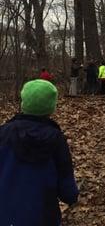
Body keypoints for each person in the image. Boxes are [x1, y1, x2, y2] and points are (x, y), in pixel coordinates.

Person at [0, 79, 79, 226]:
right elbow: (67, 187)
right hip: (43, 217)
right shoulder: (56, 139)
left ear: (23, 103)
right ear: (51, 108)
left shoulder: (3, 133)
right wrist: (72, 195)